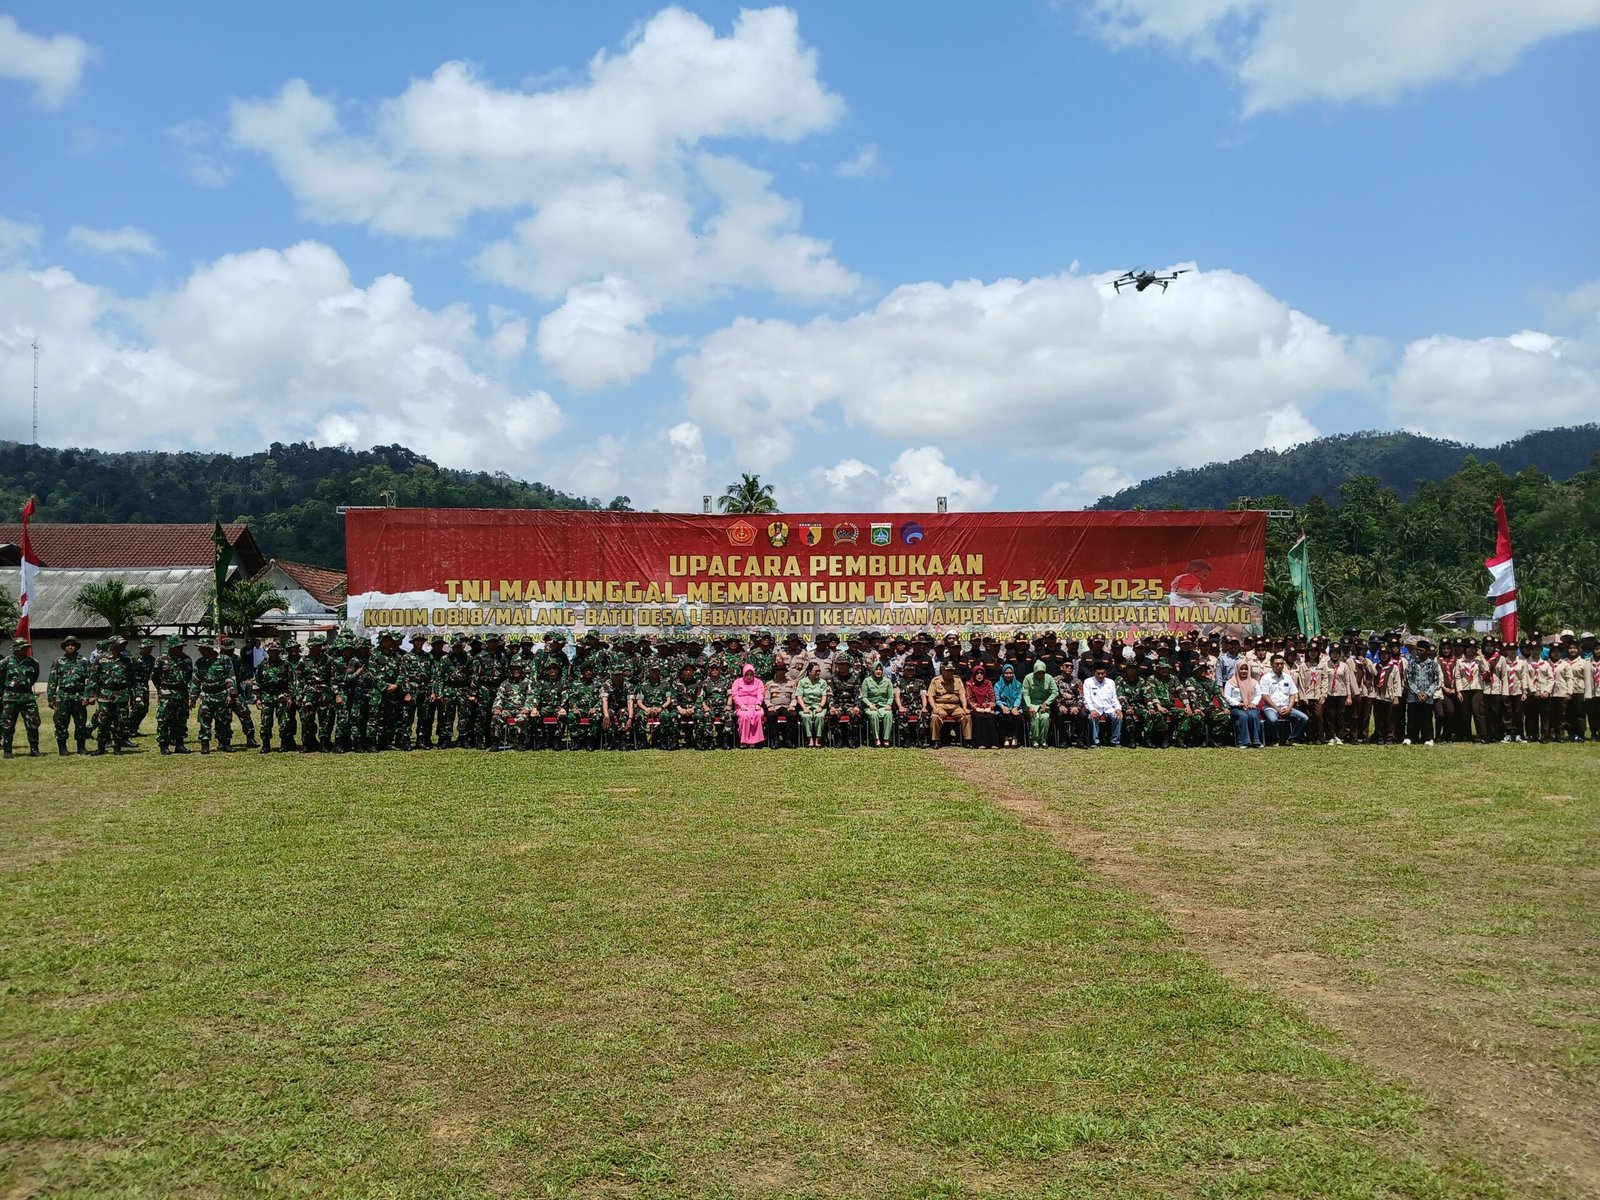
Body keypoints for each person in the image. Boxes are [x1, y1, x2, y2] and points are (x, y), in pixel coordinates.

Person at [47, 634, 93, 755]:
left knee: (81, 722)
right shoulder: (58, 661)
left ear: (76, 646)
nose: (70, 647)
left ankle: (81, 747)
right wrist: (51, 698)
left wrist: (88, 696)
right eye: (68, 645)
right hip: (63, 696)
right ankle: (62, 748)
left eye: (73, 645)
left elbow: (89, 680)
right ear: (64, 647)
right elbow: (52, 680)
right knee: (60, 722)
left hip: (79, 696)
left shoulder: (84, 661)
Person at [152, 636, 193, 754]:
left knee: (181, 720)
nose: (181, 648)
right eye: (178, 646)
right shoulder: (161, 659)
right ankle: (164, 745)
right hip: (167, 693)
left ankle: (179, 744)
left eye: (181, 646)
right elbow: (155, 677)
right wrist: (161, 689)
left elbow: (189, 677)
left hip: (182, 693)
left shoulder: (187, 659)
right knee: (164, 720)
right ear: (171, 647)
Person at [1, 639, 42, 758]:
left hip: (27, 697)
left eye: (26, 647)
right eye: (22, 648)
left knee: (33, 723)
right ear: (15, 649)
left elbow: (34, 677)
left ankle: (34, 749)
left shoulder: (33, 662)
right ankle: (7, 751)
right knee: (7, 725)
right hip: (10, 698)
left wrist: (25, 686)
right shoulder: (5, 662)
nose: (24, 650)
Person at [1259, 653, 1309, 745]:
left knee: (1304, 718)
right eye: (1277, 664)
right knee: (1273, 719)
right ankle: (1275, 740)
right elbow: (1265, 696)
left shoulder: (1287, 677)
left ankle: (1292, 739)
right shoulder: (1266, 678)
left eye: (1281, 664)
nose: (1279, 666)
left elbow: (1292, 694)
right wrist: (1277, 709)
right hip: (1271, 707)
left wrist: (1289, 708)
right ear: (1271, 664)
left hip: (1286, 707)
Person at [928, 661, 971, 747]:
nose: (950, 673)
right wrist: (934, 708)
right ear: (942, 670)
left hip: (955, 706)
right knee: (935, 717)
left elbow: (962, 695)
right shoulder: (935, 681)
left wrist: (964, 707)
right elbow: (930, 696)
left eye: (951, 671)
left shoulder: (957, 680)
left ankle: (967, 741)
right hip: (940, 705)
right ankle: (935, 741)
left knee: (967, 716)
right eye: (947, 671)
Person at [1223, 659, 1264, 748]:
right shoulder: (1230, 682)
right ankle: (1244, 741)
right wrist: (1238, 703)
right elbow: (1226, 696)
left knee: (1253, 716)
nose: (1244, 671)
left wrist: (1253, 703)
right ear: (1237, 670)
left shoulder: (1254, 682)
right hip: (1236, 707)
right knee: (1243, 716)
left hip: (1251, 706)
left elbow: (1258, 695)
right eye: (1241, 669)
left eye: (1246, 669)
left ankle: (1256, 741)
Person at [1082, 662, 1122, 747]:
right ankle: (1095, 742)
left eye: (1102, 673)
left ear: (1106, 673)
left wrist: (1118, 708)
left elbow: (1114, 698)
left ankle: (1115, 741)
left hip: (1108, 708)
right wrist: (1092, 710)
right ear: (1094, 673)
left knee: (1118, 716)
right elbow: (1087, 698)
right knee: (1092, 717)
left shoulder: (1110, 682)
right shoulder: (1088, 682)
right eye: (1098, 673)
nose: (1100, 675)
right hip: (1095, 708)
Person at [858, 662, 894, 747]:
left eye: (880, 669)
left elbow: (890, 697)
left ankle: (886, 738)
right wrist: (870, 705)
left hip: (883, 706)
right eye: (876, 669)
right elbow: (864, 697)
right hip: (870, 706)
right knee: (873, 714)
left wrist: (889, 704)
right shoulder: (867, 681)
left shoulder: (887, 681)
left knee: (888, 714)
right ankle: (876, 738)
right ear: (873, 670)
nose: (878, 671)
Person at [731, 663, 766, 748]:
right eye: (747, 674)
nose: (749, 677)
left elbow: (760, 693)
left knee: (758, 714)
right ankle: (744, 741)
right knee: (744, 716)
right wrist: (741, 705)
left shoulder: (758, 682)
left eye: (751, 675)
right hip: (742, 707)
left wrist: (758, 703)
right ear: (743, 674)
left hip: (755, 706)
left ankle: (755, 741)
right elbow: (735, 695)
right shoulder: (737, 682)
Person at [796, 662, 830, 748]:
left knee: (819, 716)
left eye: (819, 671)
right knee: (806, 716)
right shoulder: (802, 682)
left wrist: (821, 706)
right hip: (805, 705)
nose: (818, 673)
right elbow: (799, 697)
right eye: (816, 671)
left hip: (819, 705)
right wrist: (804, 708)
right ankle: (809, 738)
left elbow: (824, 696)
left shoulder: (822, 682)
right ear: (809, 671)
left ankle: (818, 738)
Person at [1022, 660, 1054, 748]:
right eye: (1038, 673)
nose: (1040, 675)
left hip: (1044, 704)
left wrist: (1047, 702)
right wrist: (1029, 705)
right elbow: (1025, 693)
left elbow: (1055, 692)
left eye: (1042, 673)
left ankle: (1043, 740)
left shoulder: (1049, 678)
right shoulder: (1028, 678)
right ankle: (1035, 740)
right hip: (1031, 703)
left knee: (1045, 718)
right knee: (1035, 718)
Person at [966, 666, 996, 747]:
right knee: (979, 717)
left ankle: (992, 743)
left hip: (987, 708)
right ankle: (980, 743)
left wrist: (989, 708)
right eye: (977, 673)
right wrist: (976, 708)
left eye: (981, 673)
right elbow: (969, 699)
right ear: (974, 674)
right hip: (975, 709)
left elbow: (992, 698)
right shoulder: (969, 684)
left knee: (990, 717)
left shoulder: (988, 683)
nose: (979, 675)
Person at [995, 664, 1023, 747]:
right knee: (1003, 716)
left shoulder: (1018, 684)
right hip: (1002, 708)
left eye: (1010, 673)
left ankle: (1014, 737)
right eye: (1006, 673)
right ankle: (1006, 738)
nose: (1008, 675)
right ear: (1003, 673)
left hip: (1015, 707)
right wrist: (1003, 707)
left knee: (1017, 716)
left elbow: (1019, 696)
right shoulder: (998, 685)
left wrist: (1015, 707)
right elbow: (997, 698)